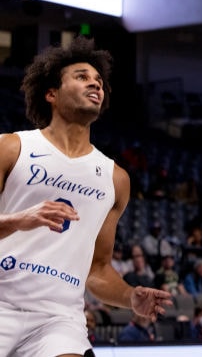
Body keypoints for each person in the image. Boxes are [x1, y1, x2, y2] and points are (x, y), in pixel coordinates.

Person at [0, 36, 172, 355]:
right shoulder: (11, 148)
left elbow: (97, 269)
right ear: (51, 93)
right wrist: (20, 220)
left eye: (99, 81)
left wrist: (130, 296)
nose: (95, 84)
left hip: (57, 320)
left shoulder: (115, 178)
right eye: (81, 77)